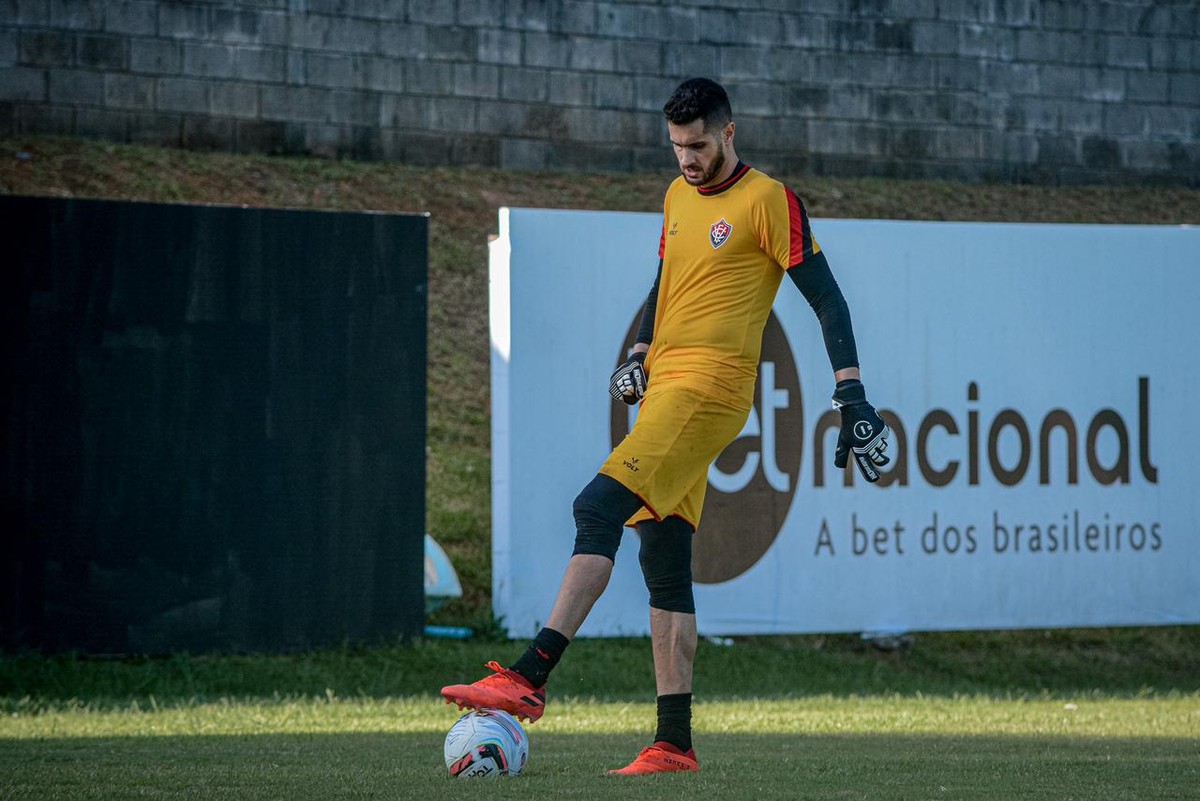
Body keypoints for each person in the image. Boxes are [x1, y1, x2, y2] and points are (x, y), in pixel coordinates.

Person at [441, 77, 890, 776]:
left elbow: (827, 298)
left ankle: (529, 674)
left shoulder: (768, 200)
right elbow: (665, 282)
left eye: (699, 144)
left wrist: (850, 393)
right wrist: (641, 351)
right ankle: (673, 742)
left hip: (711, 390)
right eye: (677, 145)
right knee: (664, 552)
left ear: (729, 133)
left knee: (597, 505)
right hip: (666, 389)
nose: (686, 157)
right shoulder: (679, 196)